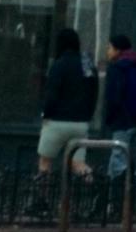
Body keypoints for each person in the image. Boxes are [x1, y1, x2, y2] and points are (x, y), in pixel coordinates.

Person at [34, 20, 96, 182]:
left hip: (57, 122)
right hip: (80, 122)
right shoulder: (86, 64)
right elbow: (93, 92)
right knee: (78, 163)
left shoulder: (58, 65)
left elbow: (51, 94)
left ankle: (43, 197)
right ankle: (95, 190)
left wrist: (46, 114)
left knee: (45, 162)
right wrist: (88, 114)